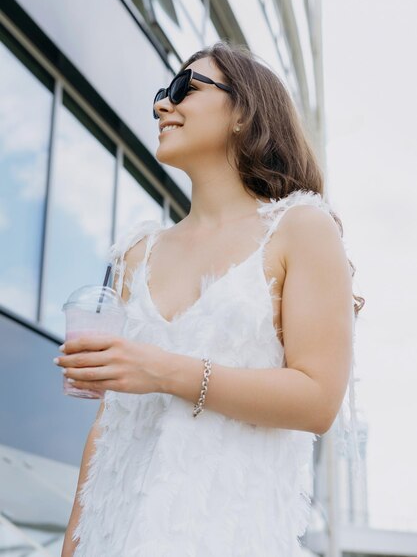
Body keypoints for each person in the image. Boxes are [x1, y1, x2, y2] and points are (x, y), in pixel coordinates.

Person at [59, 41, 364, 556]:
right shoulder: (137, 254)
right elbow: (106, 428)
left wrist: (161, 370)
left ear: (244, 112)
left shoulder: (301, 229)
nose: (162, 105)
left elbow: (318, 400)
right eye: (161, 94)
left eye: (183, 89)